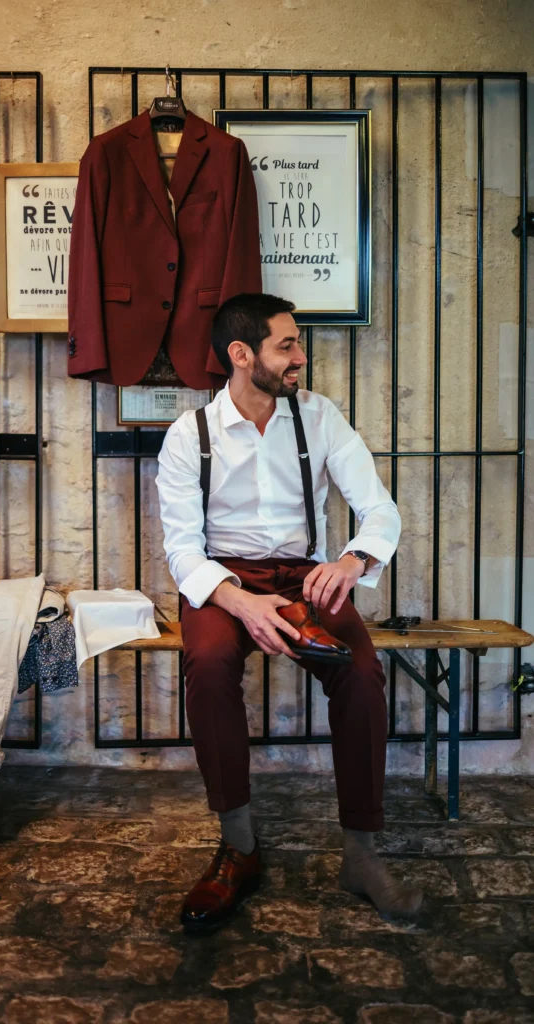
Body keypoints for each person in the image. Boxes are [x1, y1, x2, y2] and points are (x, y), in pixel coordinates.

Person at [155, 293, 422, 934]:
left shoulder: (320, 417)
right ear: (242, 356)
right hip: (225, 580)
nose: (301, 356)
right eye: (288, 345)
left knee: (361, 674)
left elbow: (380, 509)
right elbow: (182, 549)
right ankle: (238, 847)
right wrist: (241, 603)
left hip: (307, 574)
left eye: (297, 343)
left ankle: (360, 853)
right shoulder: (188, 436)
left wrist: (352, 561)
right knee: (210, 662)